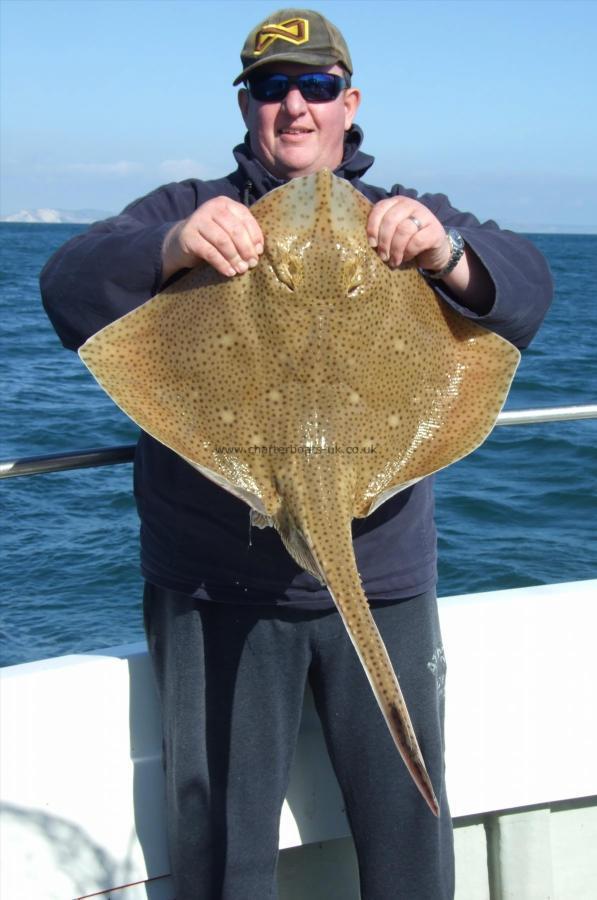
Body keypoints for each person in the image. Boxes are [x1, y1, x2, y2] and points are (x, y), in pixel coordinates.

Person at [40, 8, 553, 899]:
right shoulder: (190, 208)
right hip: (216, 584)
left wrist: (446, 252)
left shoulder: (404, 216)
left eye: (315, 87)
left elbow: (527, 291)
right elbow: (67, 285)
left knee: (407, 842)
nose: (294, 106)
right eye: (271, 87)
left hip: (379, 577)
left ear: (348, 103)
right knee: (224, 854)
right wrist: (170, 249)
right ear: (246, 106)